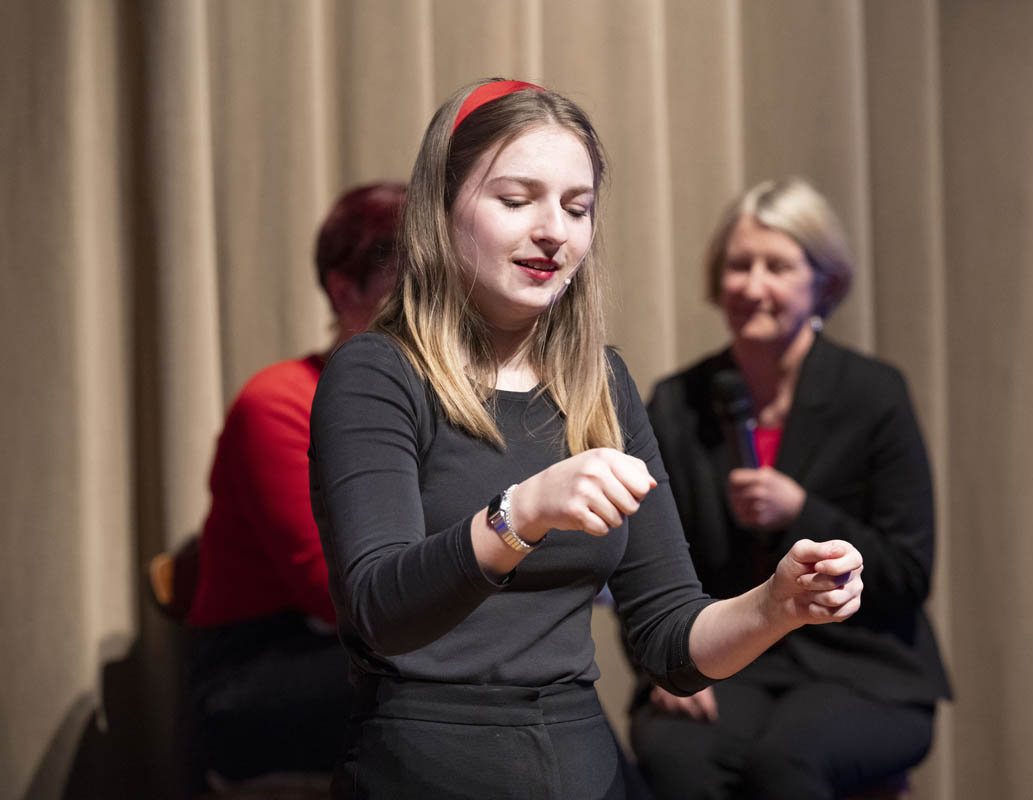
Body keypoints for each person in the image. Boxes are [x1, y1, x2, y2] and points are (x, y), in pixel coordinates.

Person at [308, 80, 865, 800]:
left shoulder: (601, 383)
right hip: (428, 761)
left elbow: (669, 640)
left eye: (577, 208)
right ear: (441, 210)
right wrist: (523, 511)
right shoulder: (378, 373)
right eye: (517, 201)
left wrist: (773, 605)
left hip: (580, 761)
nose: (555, 232)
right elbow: (381, 610)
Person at [627, 178, 952, 799]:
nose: (753, 286)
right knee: (675, 752)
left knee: (787, 760)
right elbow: (643, 556)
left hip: (860, 667)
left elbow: (908, 571)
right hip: (735, 656)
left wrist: (802, 511)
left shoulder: (873, 394)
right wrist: (666, 664)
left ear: (824, 282)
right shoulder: (677, 402)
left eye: (777, 267)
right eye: (739, 266)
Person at [185, 182, 407, 787]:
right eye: (409, 287)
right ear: (343, 291)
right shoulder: (280, 402)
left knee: (528, 675)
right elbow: (331, 592)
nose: (434, 308)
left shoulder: (437, 403)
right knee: (459, 682)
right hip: (257, 674)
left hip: (384, 643)